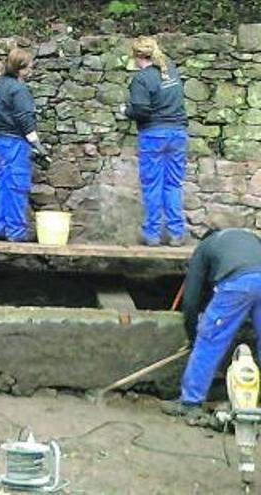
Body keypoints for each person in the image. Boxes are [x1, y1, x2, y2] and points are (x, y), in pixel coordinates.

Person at [163, 229, 261, 423]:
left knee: (210, 340)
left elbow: (190, 301)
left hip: (237, 283)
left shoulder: (204, 248)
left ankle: (190, 403)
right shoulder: (250, 237)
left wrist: (194, 336)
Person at [124, 36, 189, 247]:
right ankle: (176, 234)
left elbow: (141, 110)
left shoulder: (142, 79)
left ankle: (152, 235)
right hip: (178, 134)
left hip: (153, 136)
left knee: (153, 186)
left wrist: (126, 111)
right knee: (173, 184)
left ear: (136, 56)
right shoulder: (169, 69)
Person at [0, 48, 49, 243]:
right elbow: (24, 118)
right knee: (16, 186)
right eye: (29, 67)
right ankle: (16, 232)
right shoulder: (19, 89)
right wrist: (38, 145)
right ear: (20, 68)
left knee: (0, 184)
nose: (32, 70)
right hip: (15, 143)